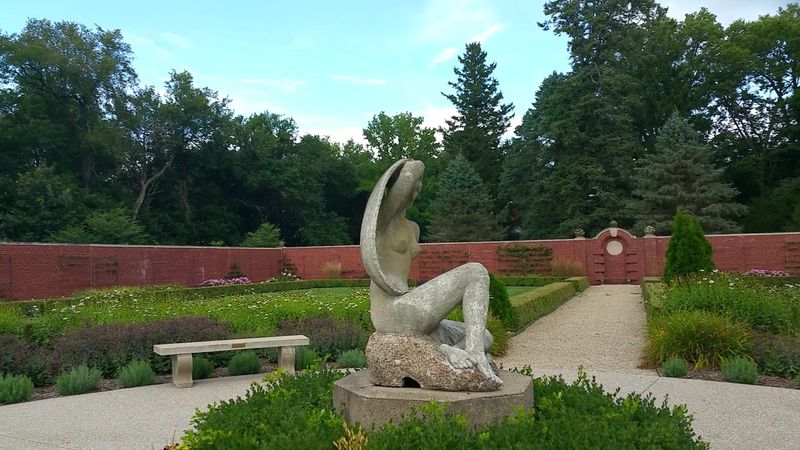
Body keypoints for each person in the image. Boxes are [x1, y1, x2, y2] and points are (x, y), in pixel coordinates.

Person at [360, 159, 502, 389]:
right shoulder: (381, 224)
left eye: (420, 185)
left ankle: (449, 352)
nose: (417, 188)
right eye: (416, 184)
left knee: (484, 335)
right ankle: (476, 356)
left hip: (409, 307)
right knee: (476, 272)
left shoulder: (413, 227)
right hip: (391, 311)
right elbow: (408, 177)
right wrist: (414, 166)